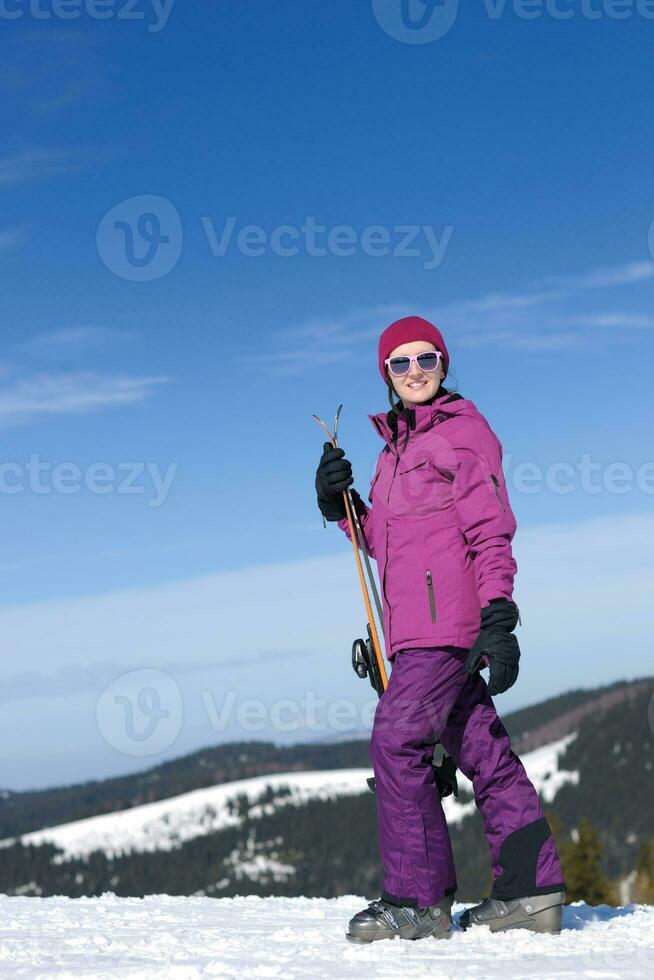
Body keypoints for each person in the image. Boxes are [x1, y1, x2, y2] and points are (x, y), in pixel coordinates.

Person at [315, 315, 566, 943]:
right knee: (484, 752)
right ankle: (531, 891)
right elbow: (386, 545)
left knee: (397, 740)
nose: (414, 372)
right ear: (386, 376)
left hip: (445, 630)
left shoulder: (464, 435)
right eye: (399, 364)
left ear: (443, 363)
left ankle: (417, 903)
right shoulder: (391, 453)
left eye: (425, 358)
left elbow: (490, 530)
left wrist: (499, 615)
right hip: (411, 632)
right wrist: (341, 507)